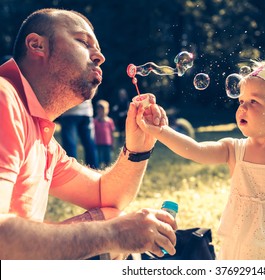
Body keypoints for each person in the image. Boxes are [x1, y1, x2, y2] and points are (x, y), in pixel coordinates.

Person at [0, 8, 176, 259]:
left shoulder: (40, 133)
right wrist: (113, 234)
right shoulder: (3, 98)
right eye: (83, 42)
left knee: (111, 216)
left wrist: (138, 148)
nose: (100, 56)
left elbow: (106, 195)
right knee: (111, 229)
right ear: (37, 45)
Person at [136, 55, 265, 260]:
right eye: (241, 101)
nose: (242, 107)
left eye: (253, 101)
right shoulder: (234, 150)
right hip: (241, 244)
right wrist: (160, 131)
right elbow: (195, 149)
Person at [58, 100, 99, 169]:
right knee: (89, 145)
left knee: (70, 145)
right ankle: (94, 171)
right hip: (86, 112)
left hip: (70, 112)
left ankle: (71, 170)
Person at [94, 99, 116, 168]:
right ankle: (99, 169)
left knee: (107, 159)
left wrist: (113, 143)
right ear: (97, 110)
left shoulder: (110, 121)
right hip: (98, 144)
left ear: (107, 110)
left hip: (107, 144)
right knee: (99, 159)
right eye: (99, 109)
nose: (101, 112)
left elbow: (112, 133)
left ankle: (107, 170)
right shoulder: (94, 121)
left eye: (103, 109)